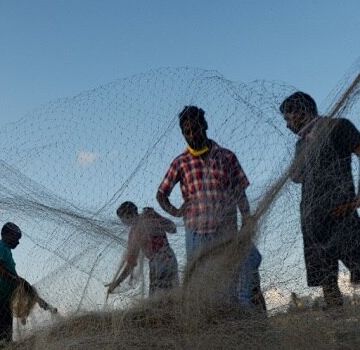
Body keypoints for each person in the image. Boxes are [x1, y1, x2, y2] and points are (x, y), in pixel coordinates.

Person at [156, 106, 259, 304]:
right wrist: (176, 212)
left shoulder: (227, 156)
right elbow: (161, 194)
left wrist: (246, 217)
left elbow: (239, 191)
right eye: (187, 132)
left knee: (231, 275)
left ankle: (236, 316)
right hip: (196, 233)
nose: (192, 134)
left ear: (205, 125)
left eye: (196, 128)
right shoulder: (181, 162)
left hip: (226, 230)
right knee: (201, 281)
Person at [280, 91, 360, 308]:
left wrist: (357, 200)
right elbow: (297, 177)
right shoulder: (301, 145)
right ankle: (338, 327)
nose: (288, 125)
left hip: (341, 213)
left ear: (303, 112)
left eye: (289, 118)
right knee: (327, 280)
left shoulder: (338, 126)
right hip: (312, 220)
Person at [106, 202, 178, 298]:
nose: (123, 222)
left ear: (128, 215)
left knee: (158, 298)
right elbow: (173, 228)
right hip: (169, 257)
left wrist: (117, 282)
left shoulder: (139, 227)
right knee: (171, 293)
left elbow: (130, 264)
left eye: (123, 218)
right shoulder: (149, 216)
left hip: (159, 262)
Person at [0, 222, 27, 348]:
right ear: (7, 235)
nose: (18, 242)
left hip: (5, 299)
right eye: (16, 238)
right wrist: (17, 279)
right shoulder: (0, 246)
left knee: (5, 336)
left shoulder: (6, 249)